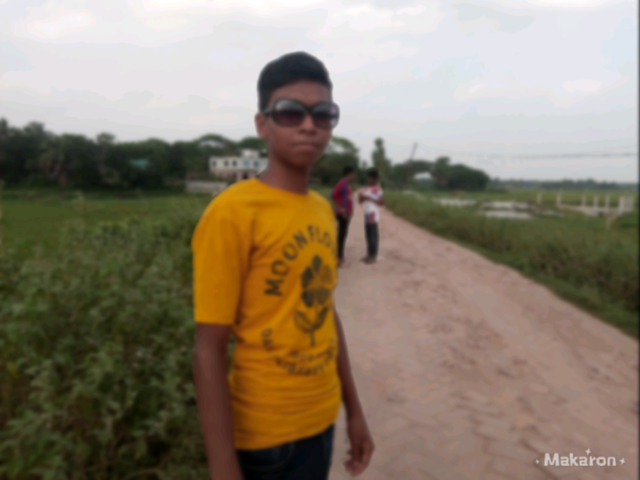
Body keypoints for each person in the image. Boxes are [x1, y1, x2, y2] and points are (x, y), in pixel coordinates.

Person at [191, 51, 374, 480]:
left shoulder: (320, 209)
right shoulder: (232, 212)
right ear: (263, 125)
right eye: (291, 113)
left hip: (321, 420)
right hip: (267, 441)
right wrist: (224, 469)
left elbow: (326, 312)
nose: (309, 125)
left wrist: (354, 410)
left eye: (323, 114)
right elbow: (208, 348)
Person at [358, 169, 384, 264]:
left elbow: (381, 203)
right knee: (368, 235)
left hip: (373, 214)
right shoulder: (366, 189)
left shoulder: (377, 190)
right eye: (369, 178)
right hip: (367, 214)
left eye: (372, 178)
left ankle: (373, 256)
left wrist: (370, 198)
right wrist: (361, 197)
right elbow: (360, 201)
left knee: (373, 235)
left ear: (375, 179)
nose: (370, 180)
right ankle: (369, 254)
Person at [331, 166, 355, 267]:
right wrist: (340, 207)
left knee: (343, 235)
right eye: (353, 174)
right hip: (342, 213)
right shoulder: (342, 183)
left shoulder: (347, 185)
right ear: (348, 174)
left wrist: (351, 211)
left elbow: (348, 199)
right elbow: (333, 194)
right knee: (341, 236)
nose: (354, 176)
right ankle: (338, 258)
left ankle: (340, 256)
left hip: (346, 214)